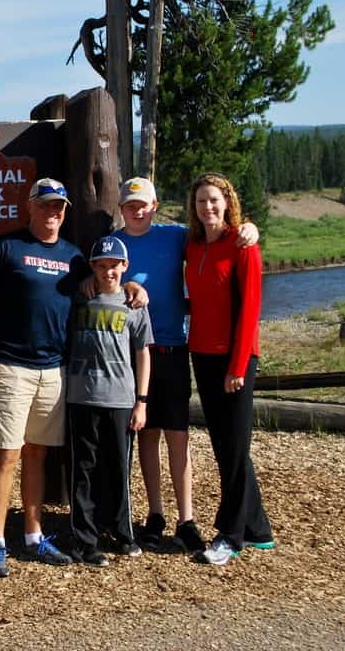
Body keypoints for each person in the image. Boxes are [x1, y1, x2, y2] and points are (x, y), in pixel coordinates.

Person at [112, 176, 257, 554]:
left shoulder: (177, 237)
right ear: (121, 208)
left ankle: (186, 519)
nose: (137, 210)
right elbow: (99, 280)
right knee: (147, 433)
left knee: (179, 435)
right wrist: (127, 287)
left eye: (143, 204)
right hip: (133, 351)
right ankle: (155, 515)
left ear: (155, 205)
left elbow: (222, 232)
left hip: (175, 348)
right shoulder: (113, 244)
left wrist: (249, 229)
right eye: (130, 204)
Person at [0, 178, 90, 578]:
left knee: (38, 453)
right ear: (30, 207)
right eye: (47, 205)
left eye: (60, 207)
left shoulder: (73, 256)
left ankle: (34, 536)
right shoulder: (6, 247)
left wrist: (134, 287)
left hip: (53, 369)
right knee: (7, 453)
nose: (54, 213)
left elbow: (103, 286)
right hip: (10, 366)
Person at [185, 172, 274, 565]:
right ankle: (259, 530)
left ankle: (230, 535)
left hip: (234, 358)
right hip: (201, 354)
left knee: (234, 447)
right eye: (202, 201)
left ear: (227, 202)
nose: (208, 207)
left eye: (214, 200)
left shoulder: (242, 245)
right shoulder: (192, 245)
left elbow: (250, 309)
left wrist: (238, 365)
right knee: (225, 445)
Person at [65, 235, 152, 567]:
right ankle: (85, 539)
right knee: (83, 469)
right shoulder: (79, 298)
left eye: (114, 266)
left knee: (118, 467)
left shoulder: (134, 305)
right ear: (92, 268)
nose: (107, 272)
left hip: (121, 398)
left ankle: (122, 531)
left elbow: (143, 353)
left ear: (124, 267)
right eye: (101, 266)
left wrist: (141, 401)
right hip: (81, 395)